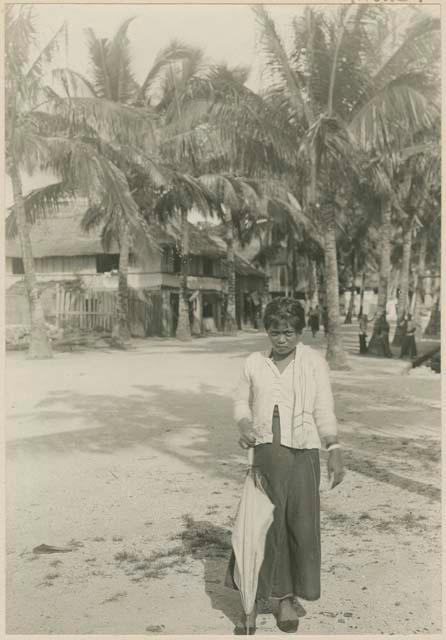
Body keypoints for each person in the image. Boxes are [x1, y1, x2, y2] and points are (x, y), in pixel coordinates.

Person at [226, 297, 344, 635]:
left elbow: (324, 407)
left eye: (289, 332)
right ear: (266, 331)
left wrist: (333, 446)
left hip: (303, 454)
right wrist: (245, 424)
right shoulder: (253, 362)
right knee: (261, 525)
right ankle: (253, 599)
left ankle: (286, 599)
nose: (281, 339)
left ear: (300, 332)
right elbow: (239, 401)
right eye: (275, 332)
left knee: (299, 526)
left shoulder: (313, 363)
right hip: (265, 455)